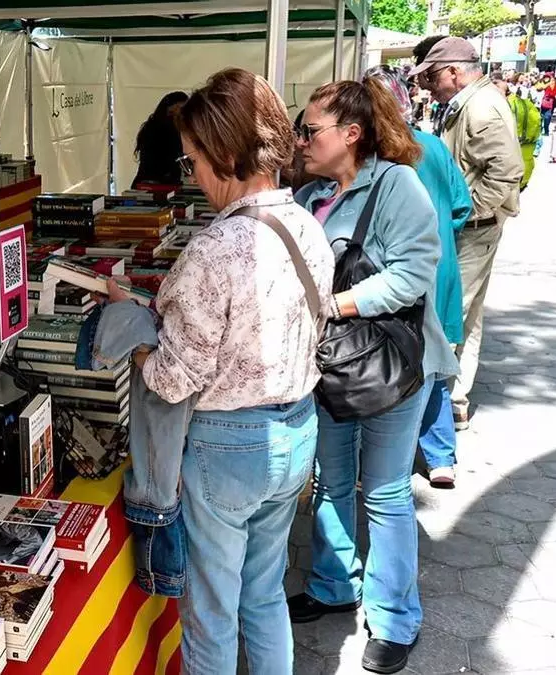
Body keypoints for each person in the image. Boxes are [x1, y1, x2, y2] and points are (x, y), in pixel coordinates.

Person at [116, 68, 334, 674]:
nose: (192, 175)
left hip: (228, 448)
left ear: (225, 154)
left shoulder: (215, 248)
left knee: (210, 614)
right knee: (264, 595)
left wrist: (139, 348)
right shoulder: (306, 225)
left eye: (193, 161)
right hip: (296, 430)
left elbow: (175, 378)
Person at [289, 77, 457, 674]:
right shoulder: (310, 196)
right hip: (333, 366)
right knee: (332, 482)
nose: (301, 140)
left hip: (390, 365)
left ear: (352, 134)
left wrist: (333, 305)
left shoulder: (396, 184)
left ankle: (393, 619)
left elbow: (412, 274)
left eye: (311, 130)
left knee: (384, 492)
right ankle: (334, 585)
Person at [365, 65, 473, 488]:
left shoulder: (379, 157)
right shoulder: (432, 145)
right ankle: (441, 457)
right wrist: (440, 231)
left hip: (396, 274)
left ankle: (391, 458)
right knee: (435, 361)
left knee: (408, 360)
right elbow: (462, 205)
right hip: (439, 267)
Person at [411, 37, 523, 431]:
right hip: (474, 227)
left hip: (473, 230)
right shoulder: (471, 103)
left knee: (450, 315)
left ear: (454, 72)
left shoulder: (481, 107)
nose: (428, 86)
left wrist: (463, 214)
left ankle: (436, 411)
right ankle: (454, 402)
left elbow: (506, 172)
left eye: (432, 77)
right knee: (467, 315)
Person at [131, 91, 188, 187]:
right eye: (179, 108)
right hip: (153, 182)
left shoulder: (155, 125)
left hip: (157, 181)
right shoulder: (158, 127)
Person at [498, 74, 541, 189]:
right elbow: (537, 123)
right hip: (528, 146)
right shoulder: (527, 103)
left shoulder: (505, 105)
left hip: (509, 152)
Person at [535, 72, 556, 156]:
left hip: (550, 103)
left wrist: (550, 87)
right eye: (545, 77)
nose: (546, 79)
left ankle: (546, 128)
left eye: (548, 77)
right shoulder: (540, 83)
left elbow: (555, 92)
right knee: (540, 119)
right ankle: (541, 129)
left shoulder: (553, 84)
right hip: (540, 104)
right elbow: (537, 88)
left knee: (547, 117)